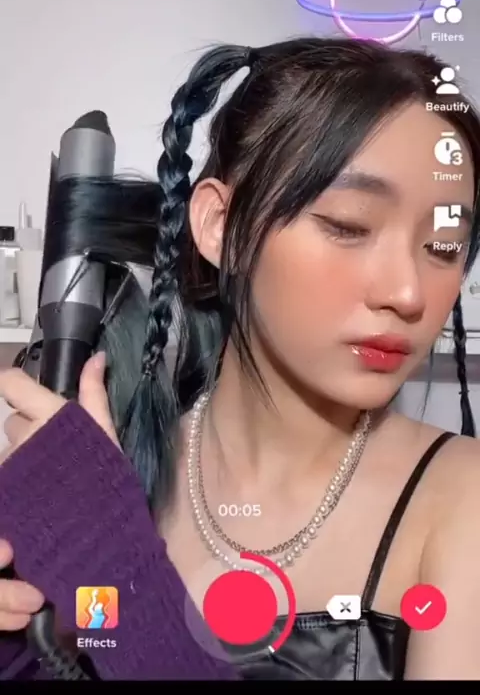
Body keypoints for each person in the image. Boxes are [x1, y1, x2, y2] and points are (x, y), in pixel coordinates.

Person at [0, 37, 480, 681]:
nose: (407, 292)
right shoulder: (116, 466)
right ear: (219, 225)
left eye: (444, 247)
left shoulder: (462, 505)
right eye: (349, 224)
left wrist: (112, 563)